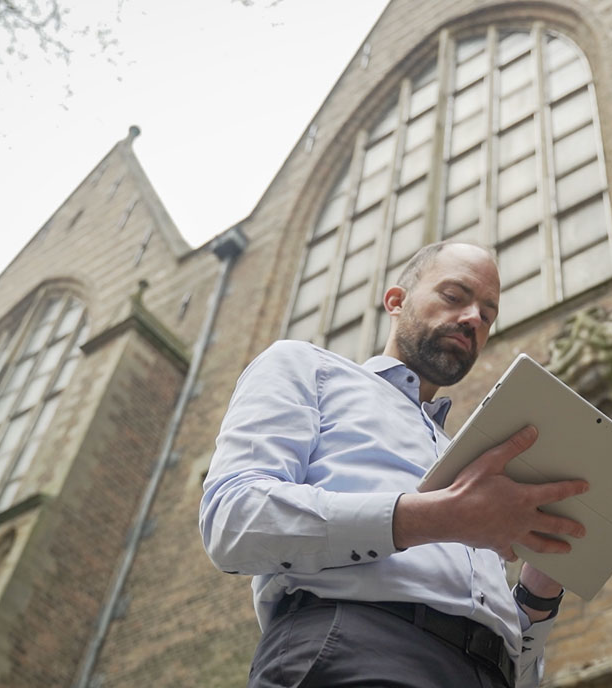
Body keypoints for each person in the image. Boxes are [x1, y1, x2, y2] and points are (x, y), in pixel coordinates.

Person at [200, 241, 590, 687]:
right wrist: (439, 517)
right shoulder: (307, 367)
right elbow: (234, 519)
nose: (472, 319)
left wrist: (537, 596)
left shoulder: (470, 459)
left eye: (487, 314)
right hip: (355, 652)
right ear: (396, 300)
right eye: (454, 296)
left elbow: (516, 664)